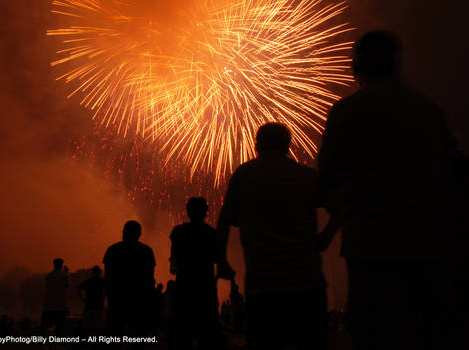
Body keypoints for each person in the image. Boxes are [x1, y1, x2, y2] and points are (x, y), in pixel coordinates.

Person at [318, 30, 459, 350]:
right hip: (425, 242)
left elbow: (325, 179)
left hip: (370, 244)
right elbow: (452, 171)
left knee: (374, 332)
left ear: (356, 66)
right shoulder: (426, 110)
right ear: (396, 63)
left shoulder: (348, 111)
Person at [217, 122, 332, 350]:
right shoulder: (305, 175)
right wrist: (324, 239)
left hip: (263, 283)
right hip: (306, 281)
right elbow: (339, 207)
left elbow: (224, 222)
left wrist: (221, 261)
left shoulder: (244, 176)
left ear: (256, 144)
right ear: (287, 145)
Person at [168, 197, 222, 350]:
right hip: (206, 289)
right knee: (208, 336)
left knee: (180, 335)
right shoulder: (211, 233)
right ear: (206, 212)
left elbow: (173, 263)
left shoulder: (178, 232)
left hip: (184, 288)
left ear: (188, 211)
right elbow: (217, 258)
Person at [103, 220, 156, 338]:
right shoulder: (146, 251)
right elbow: (150, 278)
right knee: (138, 337)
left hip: (117, 300)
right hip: (139, 301)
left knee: (114, 337)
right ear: (139, 234)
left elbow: (108, 277)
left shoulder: (113, 250)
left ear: (124, 232)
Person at [41, 258, 69, 334]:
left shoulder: (48, 276)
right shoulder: (63, 276)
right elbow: (66, 285)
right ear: (61, 265)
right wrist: (66, 273)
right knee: (60, 328)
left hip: (49, 305)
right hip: (60, 306)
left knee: (44, 327)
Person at [77, 266, 105, 331]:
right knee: (98, 327)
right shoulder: (102, 282)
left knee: (89, 327)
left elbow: (78, 288)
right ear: (99, 272)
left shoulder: (89, 281)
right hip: (99, 306)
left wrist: (82, 298)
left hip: (89, 306)